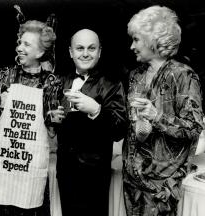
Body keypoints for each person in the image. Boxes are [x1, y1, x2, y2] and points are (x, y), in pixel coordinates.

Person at [123, 5, 204, 216]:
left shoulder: (183, 76)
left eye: (136, 39)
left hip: (161, 188)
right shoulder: (136, 75)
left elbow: (194, 128)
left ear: (153, 40)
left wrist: (156, 116)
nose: (132, 46)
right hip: (133, 181)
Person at [0, 20, 59, 216]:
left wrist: (56, 117)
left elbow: (51, 127)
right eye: (20, 43)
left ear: (40, 53)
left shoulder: (51, 81)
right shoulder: (4, 75)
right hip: (3, 162)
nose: (19, 48)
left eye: (27, 45)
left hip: (30, 165)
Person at [53, 28, 127, 216]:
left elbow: (120, 129)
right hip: (65, 170)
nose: (85, 53)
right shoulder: (59, 81)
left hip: (94, 175)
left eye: (91, 48)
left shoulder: (113, 84)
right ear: (71, 52)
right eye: (79, 48)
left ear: (100, 52)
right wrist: (52, 118)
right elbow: (53, 120)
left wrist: (96, 110)